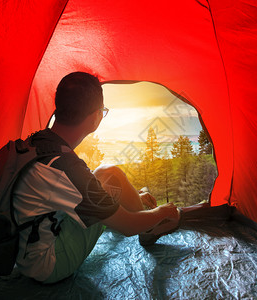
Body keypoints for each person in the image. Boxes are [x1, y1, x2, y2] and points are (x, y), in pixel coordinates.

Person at [12, 72, 180, 284]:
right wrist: (161, 212)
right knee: (113, 188)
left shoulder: (39, 141)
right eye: (103, 112)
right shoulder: (66, 168)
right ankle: (149, 229)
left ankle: (140, 213)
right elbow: (126, 226)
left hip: (25, 247)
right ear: (96, 117)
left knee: (108, 172)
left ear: (58, 108)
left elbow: (78, 190)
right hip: (46, 264)